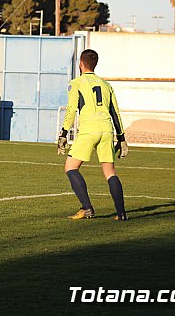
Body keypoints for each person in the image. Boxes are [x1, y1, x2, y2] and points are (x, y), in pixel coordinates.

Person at [57, 49, 129, 221]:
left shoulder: (77, 83)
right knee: (110, 172)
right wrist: (122, 138)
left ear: (81, 64)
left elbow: (71, 109)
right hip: (107, 129)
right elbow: (115, 112)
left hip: (89, 129)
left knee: (71, 167)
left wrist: (63, 133)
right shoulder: (106, 85)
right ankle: (121, 213)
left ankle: (87, 208)